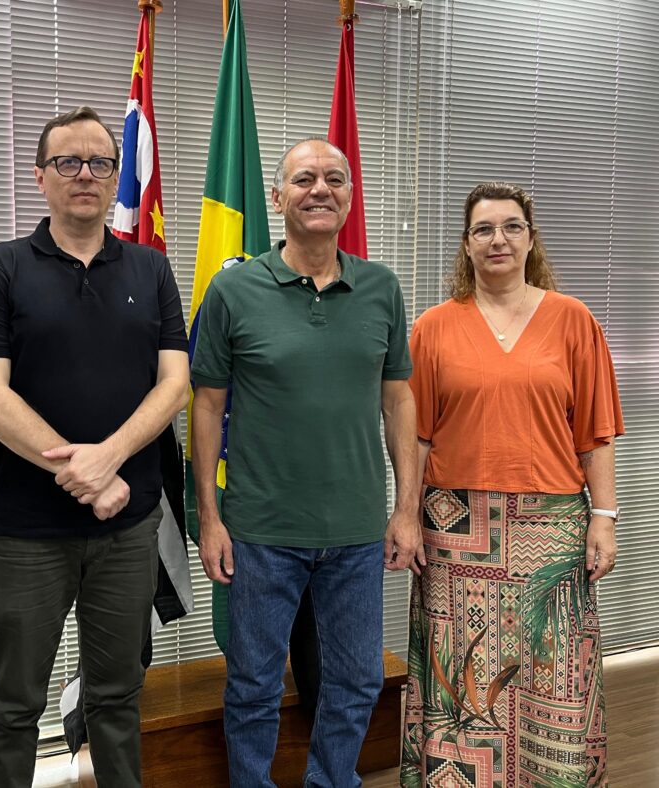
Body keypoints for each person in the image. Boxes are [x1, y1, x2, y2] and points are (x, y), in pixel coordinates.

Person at [0, 105, 189, 788]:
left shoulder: (151, 270)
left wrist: (108, 457)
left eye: (99, 162)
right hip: (25, 532)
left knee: (116, 698)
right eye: (68, 161)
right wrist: (83, 469)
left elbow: (174, 384)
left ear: (118, 176)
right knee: (13, 705)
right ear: (40, 176)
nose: (84, 174)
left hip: (128, 525)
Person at [191, 137, 422, 788]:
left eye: (334, 178)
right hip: (261, 531)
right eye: (303, 179)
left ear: (350, 196)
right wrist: (210, 517)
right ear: (277, 197)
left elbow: (398, 400)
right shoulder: (235, 290)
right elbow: (206, 407)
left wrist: (406, 509)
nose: (320, 189)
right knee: (255, 684)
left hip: (355, 532)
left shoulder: (381, 287)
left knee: (356, 679)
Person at [400, 181, 622, 786]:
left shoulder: (572, 319)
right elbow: (415, 440)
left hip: (550, 530)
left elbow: (594, 432)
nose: (497, 239)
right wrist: (404, 517)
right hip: (454, 530)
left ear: (530, 238)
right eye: (483, 229)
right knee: (462, 684)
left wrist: (605, 517)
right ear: (466, 245)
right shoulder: (433, 328)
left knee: (553, 676)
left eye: (510, 227)